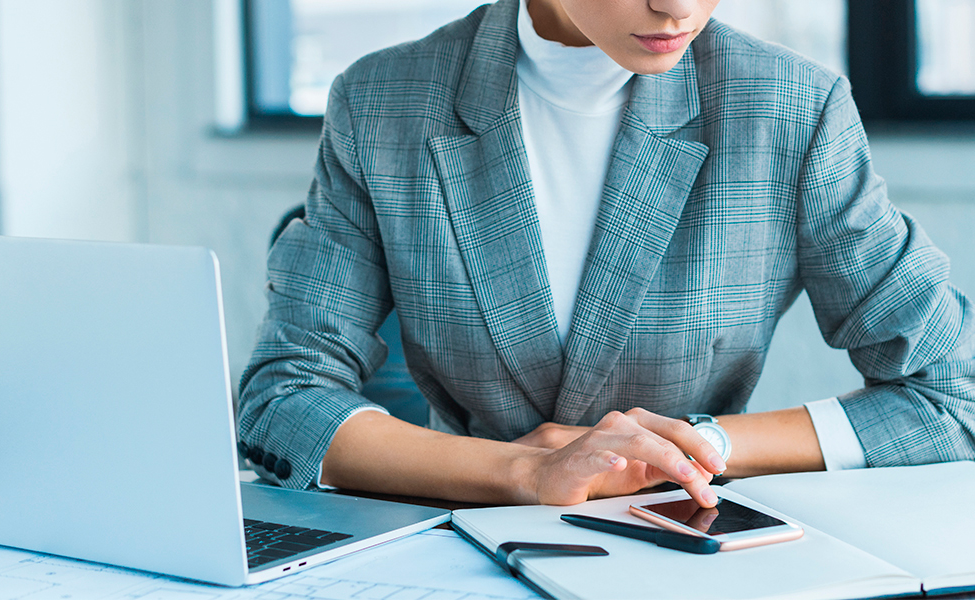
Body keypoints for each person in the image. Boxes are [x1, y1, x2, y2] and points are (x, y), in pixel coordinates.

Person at [238, 0, 975, 508]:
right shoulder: (382, 102)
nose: (678, 6)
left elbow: (954, 391)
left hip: (690, 546)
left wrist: (700, 447)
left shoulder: (788, 107)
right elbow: (284, 399)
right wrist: (524, 473)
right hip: (461, 544)